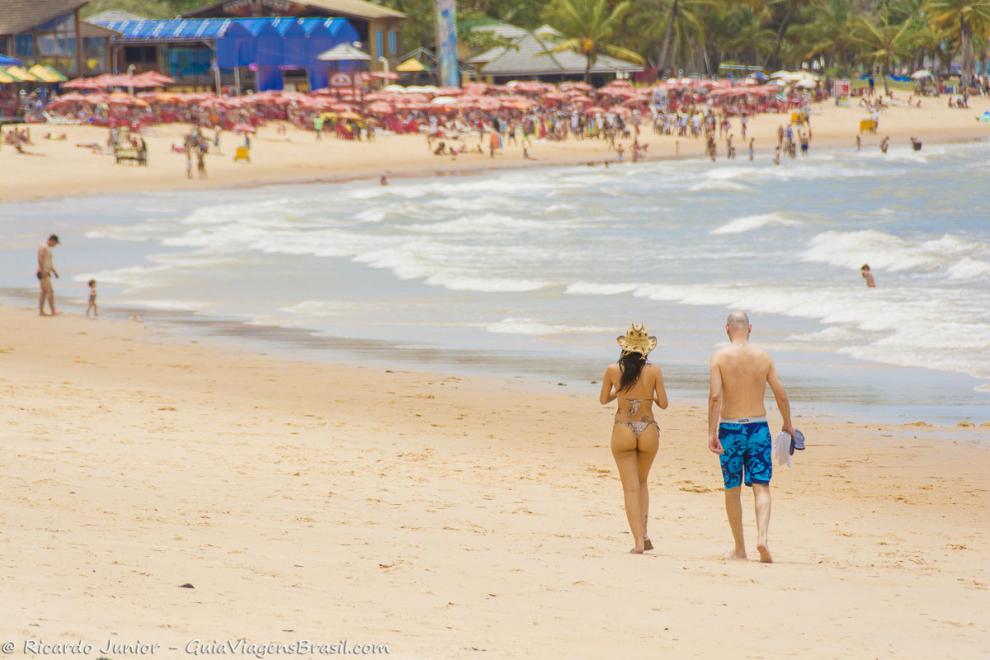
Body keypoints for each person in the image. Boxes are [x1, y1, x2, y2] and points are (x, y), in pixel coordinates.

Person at [707, 311, 794, 563]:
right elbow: (781, 394)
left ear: (727, 329)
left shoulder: (719, 357)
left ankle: (739, 549)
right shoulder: (763, 357)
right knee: (762, 485)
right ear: (750, 328)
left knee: (732, 488)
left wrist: (711, 432)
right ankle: (763, 539)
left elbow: (715, 397)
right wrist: (788, 423)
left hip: (730, 429)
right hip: (758, 428)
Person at [600, 323, 669, 554]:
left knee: (630, 489)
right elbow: (664, 403)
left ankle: (638, 542)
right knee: (642, 482)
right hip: (648, 427)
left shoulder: (612, 370)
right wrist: (648, 397)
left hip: (623, 428)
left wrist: (620, 393)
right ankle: (646, 533)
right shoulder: (655, 371)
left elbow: (603, 399)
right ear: (645, 349)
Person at [37, 234, 60, 316]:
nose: (55, 245)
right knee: (50, 291)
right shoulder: (44, 247)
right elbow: (40, 259)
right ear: (52, 240)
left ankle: (41, 311)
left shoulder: (47, 248)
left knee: (43, 292)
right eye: (55, 243)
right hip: (44, 272)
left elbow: (49, 263)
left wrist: (54, 271)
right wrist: (42, 270)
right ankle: (53, 311)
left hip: (46, 272)